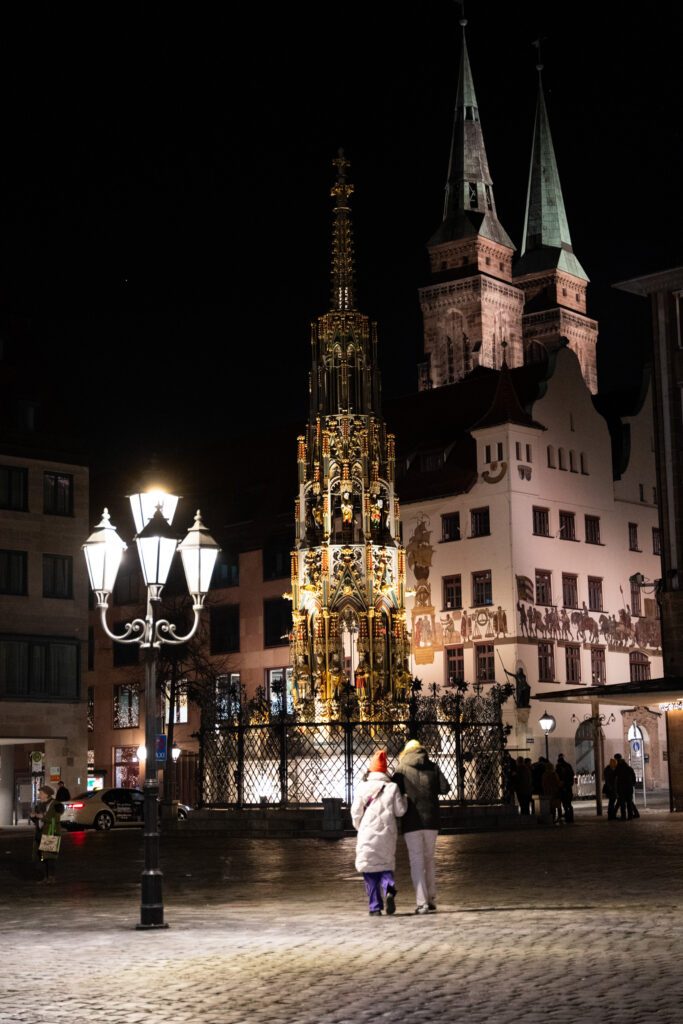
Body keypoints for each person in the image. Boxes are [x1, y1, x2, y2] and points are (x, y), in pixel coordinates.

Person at [391, 739, 450, 914]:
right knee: (429, 859)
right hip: (431, 820)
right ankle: (431, 897)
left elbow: (394, 793)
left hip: (412, 821)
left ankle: (422, 903)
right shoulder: (433, 766)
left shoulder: (400, 770)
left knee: (416, 861)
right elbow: (445, 788)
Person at [351, 750, 407, 916]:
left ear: (371, 770)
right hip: (387, 834)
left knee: (369, 871)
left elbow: (355, 813)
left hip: (367, 833)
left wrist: (359, 827)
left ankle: (375, 907)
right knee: (385, 866)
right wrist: (404, 798)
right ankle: (389, 888)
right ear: (385, 770)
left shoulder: (362, 787)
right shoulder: (392, 787)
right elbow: (400, 811)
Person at [31, 785, 62, 883]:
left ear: (46, 794)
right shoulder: (40, 805)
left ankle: (51, 877)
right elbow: (38, 821)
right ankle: (45, 877)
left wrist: (43, 817)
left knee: (49, 857)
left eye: (40, 793)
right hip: (40, 833)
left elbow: (56, 819)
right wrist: (34, 817)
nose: (39, 795)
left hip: (50, 832)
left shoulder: (56, 804)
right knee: (42, 856)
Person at [614, 753, 639, 820]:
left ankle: (623, 817)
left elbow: (616, 778)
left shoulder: (618, 768)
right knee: (629, 802)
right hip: (629, 788)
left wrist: (616, 788)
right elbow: (634, 778)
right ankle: (630, 816)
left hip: (622, 788)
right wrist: (632, 784)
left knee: (622, 804)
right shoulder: (629, 768)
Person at [555, 754, 575, 823]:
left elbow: (558, 778)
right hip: (568, 788)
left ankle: (565, 817)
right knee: (568, 804)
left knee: (563, 804)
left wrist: (561, 786)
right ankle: (570, 817)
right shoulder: (568, 766)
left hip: (562, 788)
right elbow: (572, 775)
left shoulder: (559, 767)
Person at [541, 760, 562, 825]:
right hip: (554, 792)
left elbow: (543, 784)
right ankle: (557, 818)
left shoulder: (544, 774)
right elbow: (557, 782)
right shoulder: (554, 774)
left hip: (547, 792)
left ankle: (551, 818)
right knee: (557, 806)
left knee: (550, 807)